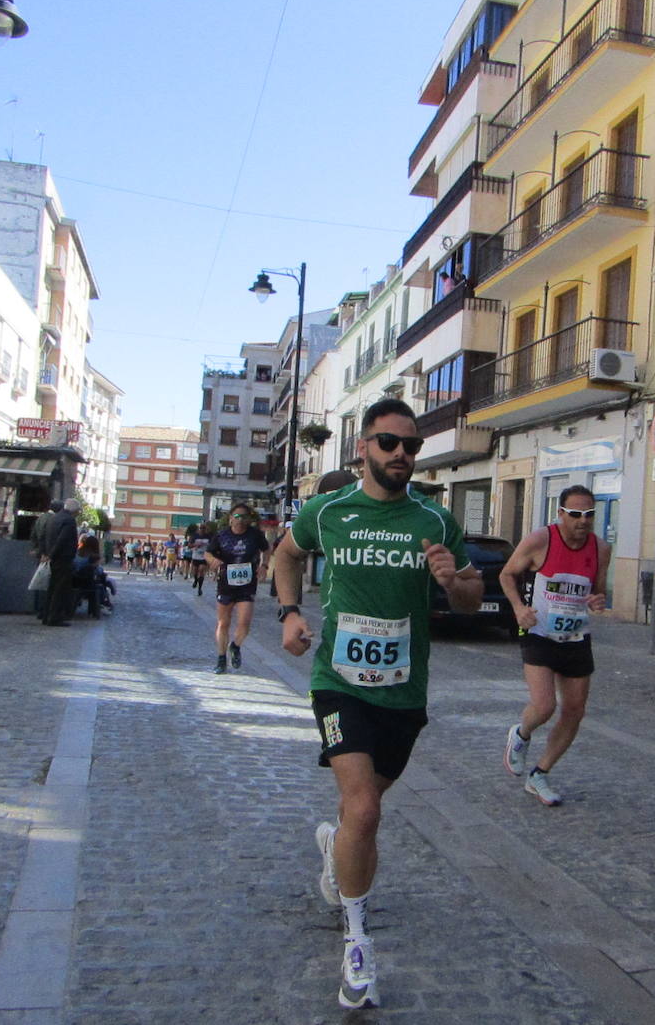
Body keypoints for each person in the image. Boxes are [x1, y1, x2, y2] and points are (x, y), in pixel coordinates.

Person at [273, 398, 483, 1009]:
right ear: (362, 447)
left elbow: (471, 597)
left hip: (404, 690)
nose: (400, 455)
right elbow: (286, 555)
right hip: (337, 681)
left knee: (357, 814)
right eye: (388, 443)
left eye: (410, 446)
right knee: (364, 811)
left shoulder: (435, 521)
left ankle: (337, 852)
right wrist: (289, 613)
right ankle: (358, 938)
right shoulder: (328, 510)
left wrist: (453, 581)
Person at [499, 484, 611, 806]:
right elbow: (507, 575)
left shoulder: (601, 549)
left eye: (589, 514)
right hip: (538, 632)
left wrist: (598, 601)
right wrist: (520, 609)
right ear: (560, 513)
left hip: (576, 636)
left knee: (575, 711)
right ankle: (520, 734)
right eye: (575, 514)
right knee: (545, 705)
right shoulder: (540, 540)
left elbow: (598, 592)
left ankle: (540, 774)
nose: (583, 521)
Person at [205, 505, 269, 674]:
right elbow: (208, 553)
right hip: (226, 583)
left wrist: (264, 565)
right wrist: (213, 561)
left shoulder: (255, 535)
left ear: (248, 519)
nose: (240, 520)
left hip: (247, 583)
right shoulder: (221, 535)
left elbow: (267, 549)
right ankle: (221, 658)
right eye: (237, 516)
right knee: (223, 622)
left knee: (244, 623)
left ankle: (235, 646)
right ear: (230, 518)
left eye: (244, 517)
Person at [42, 498, 79, 626]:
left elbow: (45, 536)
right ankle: (54, 617)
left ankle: (46, 615)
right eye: (78, 510)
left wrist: (47, 554)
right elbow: (62, 540)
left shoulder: (54, 518)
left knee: (52, 588)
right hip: (63, 559)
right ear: (74, 510)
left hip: (53, 558)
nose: (78, 513)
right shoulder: (69, 521)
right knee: (60, 589)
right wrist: (52, 554)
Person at [28, 498, 62, 617]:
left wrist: (35, 549)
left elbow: (33, 535)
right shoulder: (53, 520)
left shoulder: (41, 518)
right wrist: (44, 553)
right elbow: (45, 536)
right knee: (47, 582)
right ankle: (44, 610)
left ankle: (40, 608)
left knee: (40, 580)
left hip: (40, 553)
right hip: (47, 555)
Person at [190, 528, 210, 596]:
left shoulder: (208, 536)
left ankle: (200, 588)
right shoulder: (194, 536)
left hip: (204, 557)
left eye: (203, 529)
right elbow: (189, 545)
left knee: (201, 570)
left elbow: (212, 545)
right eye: (201, 529)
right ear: (199, 530)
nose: (202, 531)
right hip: (196, 556)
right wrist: (196, 545)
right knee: (195, 571)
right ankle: (195, 580)